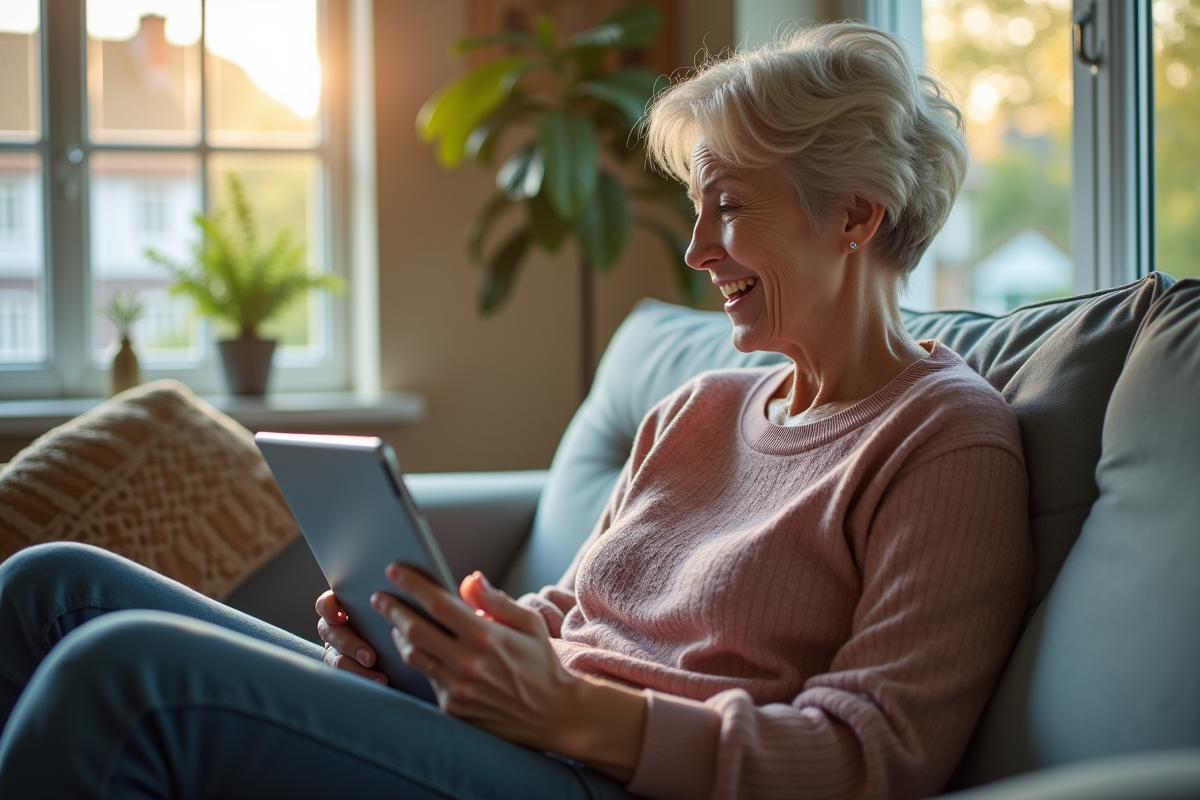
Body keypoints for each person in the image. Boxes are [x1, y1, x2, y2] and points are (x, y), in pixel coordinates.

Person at [0, 22, 1031, 800]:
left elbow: (875, 753)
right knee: (53, 586)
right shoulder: (699, 407)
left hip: (603, 778)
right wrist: (429, 632)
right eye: (698, 208)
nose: (698, 250)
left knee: (118, 672)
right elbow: (579, 612)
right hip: (515, 732)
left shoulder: (944, 439)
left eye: (729, 205)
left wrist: (581, 711)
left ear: (855, 213)